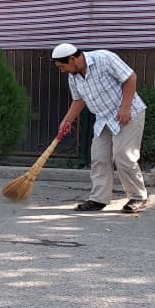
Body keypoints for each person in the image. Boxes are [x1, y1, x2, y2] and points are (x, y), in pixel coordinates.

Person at [52, 43, 148, 213]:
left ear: (73, 59)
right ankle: (99, 199)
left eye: (62, 66)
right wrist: (67, 121)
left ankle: (138, 197)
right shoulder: (73, 76)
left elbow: (130, 78)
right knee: (99, 157)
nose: (62, 70)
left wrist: (125, 107)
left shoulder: (104, 58)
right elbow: (79, 100)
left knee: (123, 155)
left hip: (127, 113)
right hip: (103, 118)